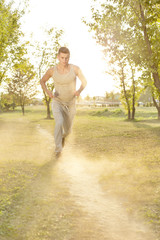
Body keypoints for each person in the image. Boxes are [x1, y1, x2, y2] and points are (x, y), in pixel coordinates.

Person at [40, 47, 87, 158]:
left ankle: (62, 138)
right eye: (62, 58)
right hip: (58, 102)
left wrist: (79, 91)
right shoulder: (52, 70)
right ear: (58, 57)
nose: (64, 60)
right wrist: (47, 92)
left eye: (66, 58)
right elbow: (42, 81)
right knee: (59, 122)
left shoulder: (75, 69)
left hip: (70, 103)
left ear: (69, 57)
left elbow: (84, 81)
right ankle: (58, 150)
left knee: (68, 131)